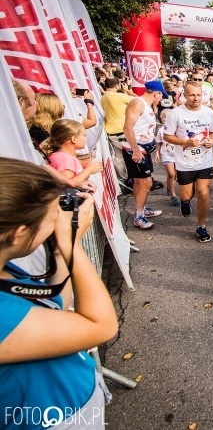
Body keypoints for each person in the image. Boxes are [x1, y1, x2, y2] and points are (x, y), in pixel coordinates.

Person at [0, 159, 118, 427]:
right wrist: (72, 245)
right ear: (18, 234)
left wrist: (57, 251)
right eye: (53, 215)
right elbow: (101, 326)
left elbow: (54, 308)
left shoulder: (6, 271)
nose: (58, 221)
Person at [162, 80, 213, 243]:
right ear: (185, 95)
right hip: (185, 161)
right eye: (192, 95)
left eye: (198, 95)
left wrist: (211, 141)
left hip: (204, 161)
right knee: (187, 195)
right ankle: (185, 203)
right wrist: (185, 143)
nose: (195, 98)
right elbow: (167, 136)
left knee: (203, 192)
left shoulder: (209, 113)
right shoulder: (176, 113)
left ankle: (201, 226)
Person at [123, 80, 166, 230]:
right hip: (135, 149)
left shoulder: (145, 104)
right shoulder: (138, 103)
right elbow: (127, 127)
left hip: (143, 148)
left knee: (138, 182)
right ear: (156, 93)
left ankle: (141, 208)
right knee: (146, 182)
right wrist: (135, 150)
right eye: (160, 95)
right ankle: (139, 216)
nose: (161, 99)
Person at [41, 119, 104, 185]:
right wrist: (89, 170)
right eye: (84, 135)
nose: (86, 138)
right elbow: (67, 184)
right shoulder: (66, 159)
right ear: (74, 139)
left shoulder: (60, 155)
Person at [154, 109, 180, 206]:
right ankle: (173, 195)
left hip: (177, 154)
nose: (166, 119)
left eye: (168, 117)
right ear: (161, 118)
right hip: (166, 153)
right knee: (171, 174)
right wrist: (157, 153)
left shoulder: (178, 128)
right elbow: (159, 143)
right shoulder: (161, 131)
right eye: (164, 117)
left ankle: (170, 186)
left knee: (177, 174)